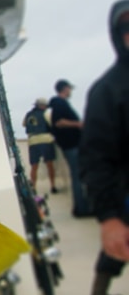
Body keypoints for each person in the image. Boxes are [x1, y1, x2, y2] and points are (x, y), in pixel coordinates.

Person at [80, 0, 129, 295]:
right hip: (124, 193)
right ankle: (99, 293)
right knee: (118, 242)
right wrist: (108, 218)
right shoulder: (106, 90)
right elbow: (94, 158)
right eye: (126, 28)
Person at [49, 79, 91, 217]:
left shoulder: (59, 104)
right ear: (64, 89)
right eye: (69, 88)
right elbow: (59, 122)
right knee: (78, 176)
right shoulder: (60, 103)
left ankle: (81, 207)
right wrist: (79, 124)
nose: (70, 91)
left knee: (78, 175)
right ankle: (81, 209)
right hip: (71, 146)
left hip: (70, 145)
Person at [22, 97, 58, 194]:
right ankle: (53, 186)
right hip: (46, 140)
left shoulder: (28, 115)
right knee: (49, 164)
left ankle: (34, 187)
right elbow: (52, 124)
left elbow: (24, 124)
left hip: (32, 142)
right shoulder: (46, 113)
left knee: (34, 166)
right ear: (42, 106)